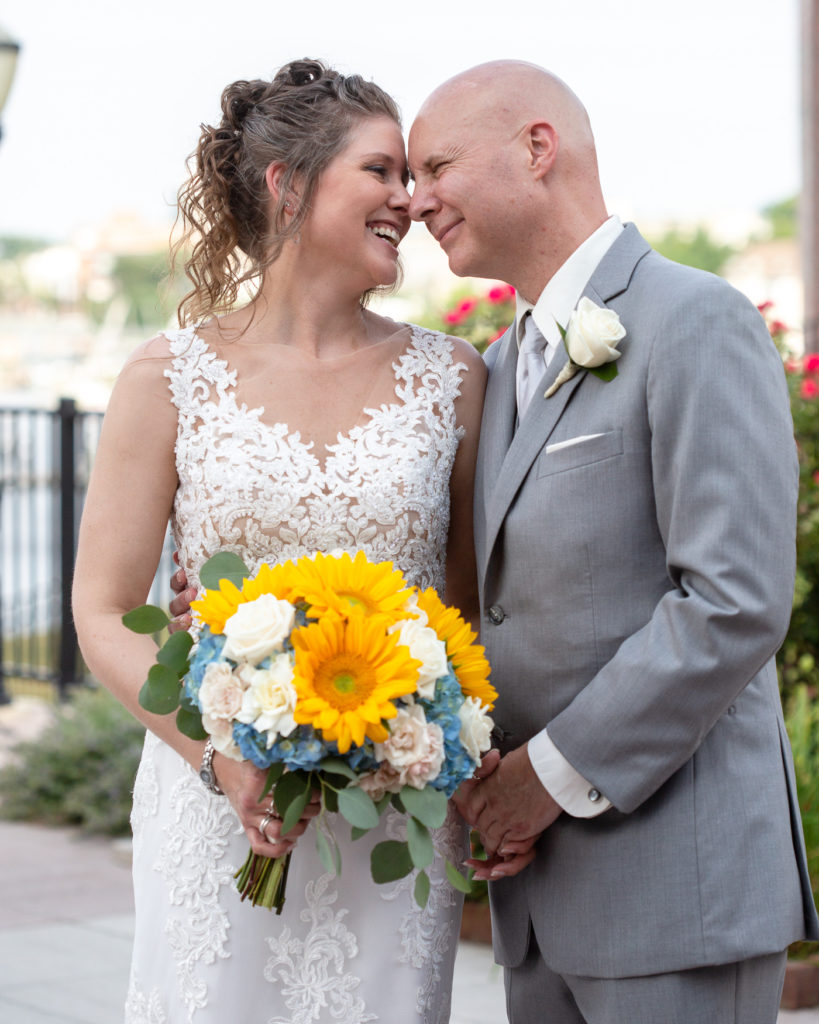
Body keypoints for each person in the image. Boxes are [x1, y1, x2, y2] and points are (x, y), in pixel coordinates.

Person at [404, 61, 819, 1023]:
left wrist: (541, 781)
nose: (416, 200)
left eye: (437, 166)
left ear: (536, 148)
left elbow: (732, 601)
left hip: (680, 889)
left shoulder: (693, 319)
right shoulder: (497, 366)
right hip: (536, 900)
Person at [72, 59, 486, 1024]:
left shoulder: (454, 378)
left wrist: (443, 752)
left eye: (412, 177)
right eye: (380, 172)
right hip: (213, 798)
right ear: (287, 184)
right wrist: (222, 760)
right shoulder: (166, 378)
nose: (411, 200)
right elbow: (102, 612)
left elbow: (467, 613)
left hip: (395, 805)